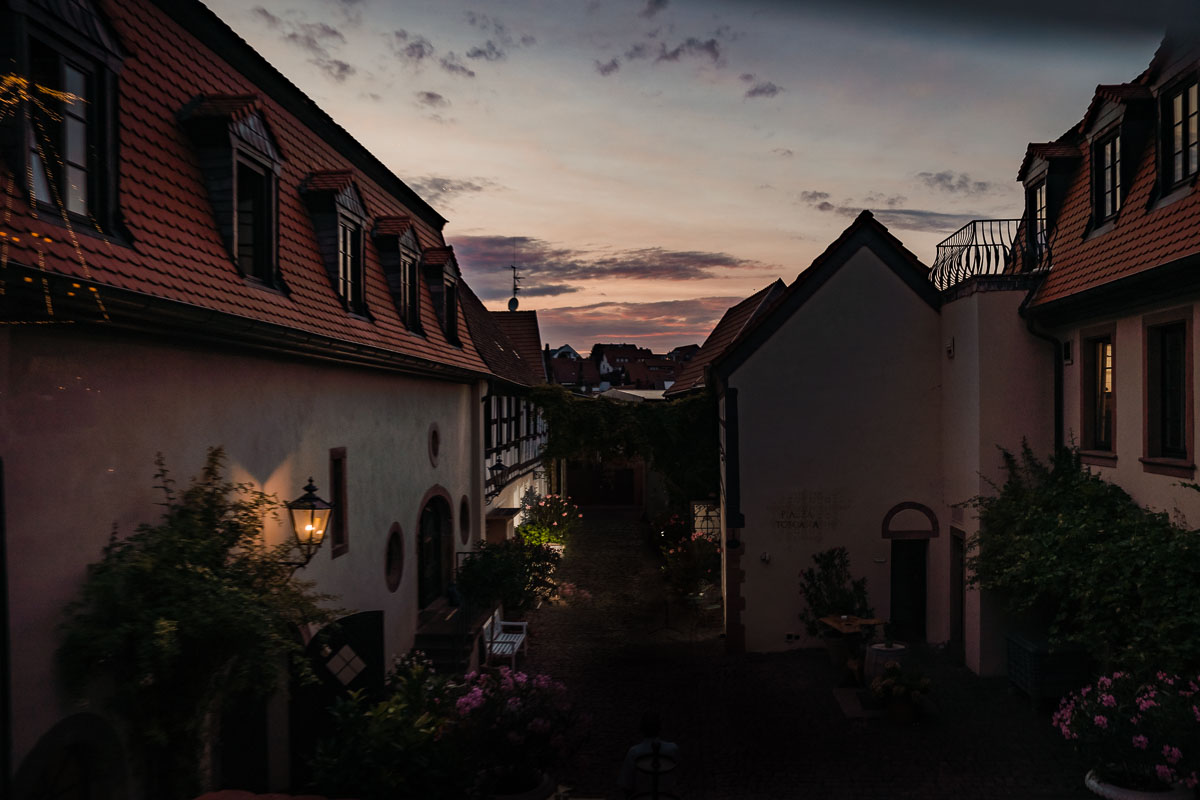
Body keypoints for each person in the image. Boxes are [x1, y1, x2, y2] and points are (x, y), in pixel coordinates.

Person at [618, 711, 680, 799]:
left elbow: (626, 784)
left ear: (641, 729)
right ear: (660, 728)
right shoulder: (673, 749)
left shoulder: (634, 752)